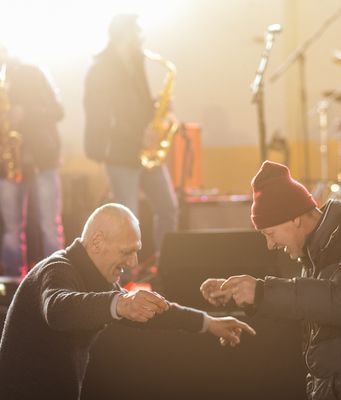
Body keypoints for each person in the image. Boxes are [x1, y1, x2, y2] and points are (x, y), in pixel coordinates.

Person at [0, 203, 255, 399]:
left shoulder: (93, 276)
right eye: (127, 252)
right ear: (97, 242)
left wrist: (208, 322)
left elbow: (149, 312)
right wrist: (121, 304)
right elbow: (58, 310)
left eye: (136, 251)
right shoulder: (57, 270)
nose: (133, 262)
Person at [201, 160, 341, 399]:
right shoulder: (324, 246)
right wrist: (240, 293)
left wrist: (263, 292)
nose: (270, 244)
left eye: (270, 233)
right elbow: (319, 303)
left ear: (294, 218)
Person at [84, 14, 177, 274]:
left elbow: (137, 108)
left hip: (146, 152)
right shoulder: (100, 70)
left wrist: (156, 107)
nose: (142, 39)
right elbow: (103, 118)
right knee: (126, 219)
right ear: (124, 35)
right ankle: (122, 278)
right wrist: (138, 136)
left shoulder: (136, 63)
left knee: (168, 207)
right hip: (120, 153)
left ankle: (166, 266)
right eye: (138, 33)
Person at [0, 44, 64, 277]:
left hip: (41, 158)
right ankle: (12, 280)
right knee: (11, 228)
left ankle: (56, 278)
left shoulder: (33, 73)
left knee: (49, 225)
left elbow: (58, 111)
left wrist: (25, 113)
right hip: (7, 163)